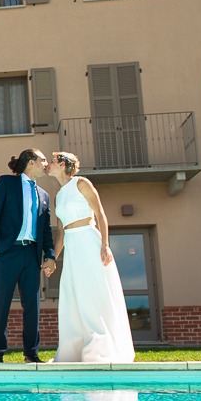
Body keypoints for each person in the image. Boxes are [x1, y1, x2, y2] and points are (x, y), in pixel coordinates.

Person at [45, 151, 135, 363]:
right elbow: (61, 233)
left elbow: (100, 214)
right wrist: (53, 259)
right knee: (74, 296)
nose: (48, 164)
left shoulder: (82, 183)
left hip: (88, 241)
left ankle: (99, 348)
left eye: (53, 161)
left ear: (63, 164)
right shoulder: (58, 196)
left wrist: (105, 245)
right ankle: (74, 348)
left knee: (92, 292)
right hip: (72, 249)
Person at [0, 149, 56, 363]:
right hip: (8, 252)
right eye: (43, 160)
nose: (46, 163)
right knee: (2, 303)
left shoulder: (44, 195)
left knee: (32, 306)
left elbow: (46, 230)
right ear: (31, 163)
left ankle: (31, 353)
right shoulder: (6, 183)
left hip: (32, 255)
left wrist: (49, 254)